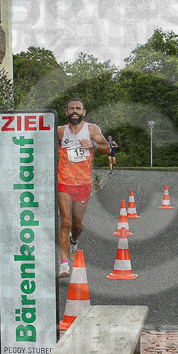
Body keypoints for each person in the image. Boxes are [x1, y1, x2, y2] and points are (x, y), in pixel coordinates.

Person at [56, 98, 110, 278]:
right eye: (71, 108)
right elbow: (55, 150)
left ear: (83, 112)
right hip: (64, 182)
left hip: (83, 184)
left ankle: (74, 241)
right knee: (65, 221)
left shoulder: (92, 129)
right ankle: (64, 264)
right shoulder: (60, 131)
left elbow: (108, 149)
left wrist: (93, 145)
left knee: (77, 225)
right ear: (66, 112)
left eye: (78, 108)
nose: (74, 111)